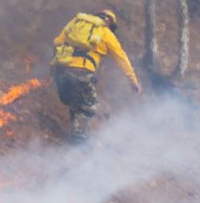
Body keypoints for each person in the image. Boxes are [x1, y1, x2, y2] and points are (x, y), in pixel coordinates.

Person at [51, 10, 141, 143]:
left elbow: (57, 42)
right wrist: (133, 81)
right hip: (81, 72)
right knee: (89, 105)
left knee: (76, 103)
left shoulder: (77, 25)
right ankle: (79, 144)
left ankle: (77, 137)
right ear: (110, 23)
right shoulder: (106, 33)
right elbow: (121, 58)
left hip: (62, 72)